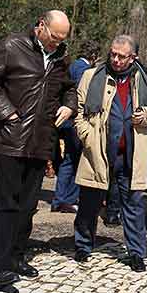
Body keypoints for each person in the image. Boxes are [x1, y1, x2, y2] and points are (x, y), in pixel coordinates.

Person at [0, 10, 76, 292]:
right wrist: (7, 113)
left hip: (41, 142)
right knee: (7, 206)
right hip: (10, 140)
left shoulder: (60, 57)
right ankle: (3, 267)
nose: (57, 43)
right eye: (54, 37)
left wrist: (70, 105)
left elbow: (69, 89)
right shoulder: (12, 46)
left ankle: (18, 256)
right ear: (41, 26)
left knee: (28, 206)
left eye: (62, 39)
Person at [72, 35, 147, 270]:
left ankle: (136, 252)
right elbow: (79, 111)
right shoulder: (92, 76)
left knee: (133, 204)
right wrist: (87, 137)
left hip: (131, 152)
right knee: (89, 201)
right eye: (113, 54)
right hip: (98, 150)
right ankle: (83, 245)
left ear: (134, 57)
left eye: (122, 56)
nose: (116, 59)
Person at [51, 42, 99, 214]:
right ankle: (67, 199)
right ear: (93, 57)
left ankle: (60, 199)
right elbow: (81, 95)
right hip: (74, 121)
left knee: (69, 160)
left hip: (66, 121)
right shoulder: (83, 70)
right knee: (75, 161)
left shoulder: (72, 65)